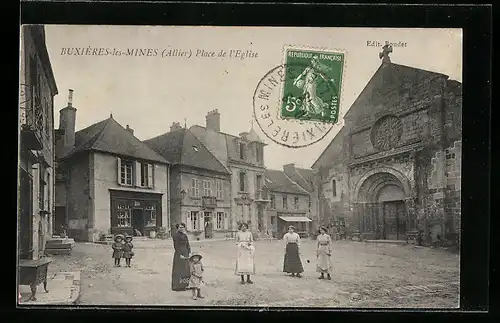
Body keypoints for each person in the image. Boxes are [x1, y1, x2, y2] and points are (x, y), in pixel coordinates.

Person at [172, 223, 191, 291]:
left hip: (185, 252)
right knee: (179, 270)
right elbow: (176, 246)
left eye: (183, 227)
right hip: (179, 254)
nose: (181, 228)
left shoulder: (185, 235)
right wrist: (180, 254)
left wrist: (189, 252)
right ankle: (177, 286)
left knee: (186, 269)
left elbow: (187, 244)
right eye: (180, 227)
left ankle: (185, 285)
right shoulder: (176, 236)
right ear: (177, 228)